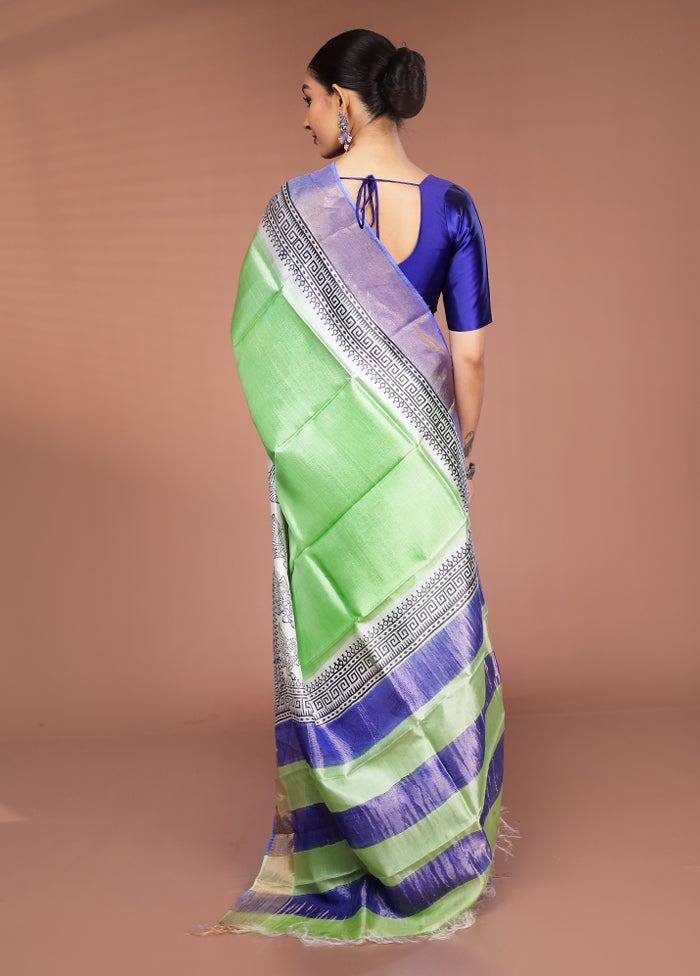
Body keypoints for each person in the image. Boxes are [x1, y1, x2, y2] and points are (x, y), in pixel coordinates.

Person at [193, 28, 516, 945]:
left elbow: (260, 340)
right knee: (432, 651)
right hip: (423, 467)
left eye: (307, 98)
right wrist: (454, 452)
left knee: (350, 642)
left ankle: (354, 848)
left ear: (343, 99)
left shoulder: (293, 212)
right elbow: (470, 354)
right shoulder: (454, 208)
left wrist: (312, 451)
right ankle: (439, 855)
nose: (303, 118)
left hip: (330, 483)